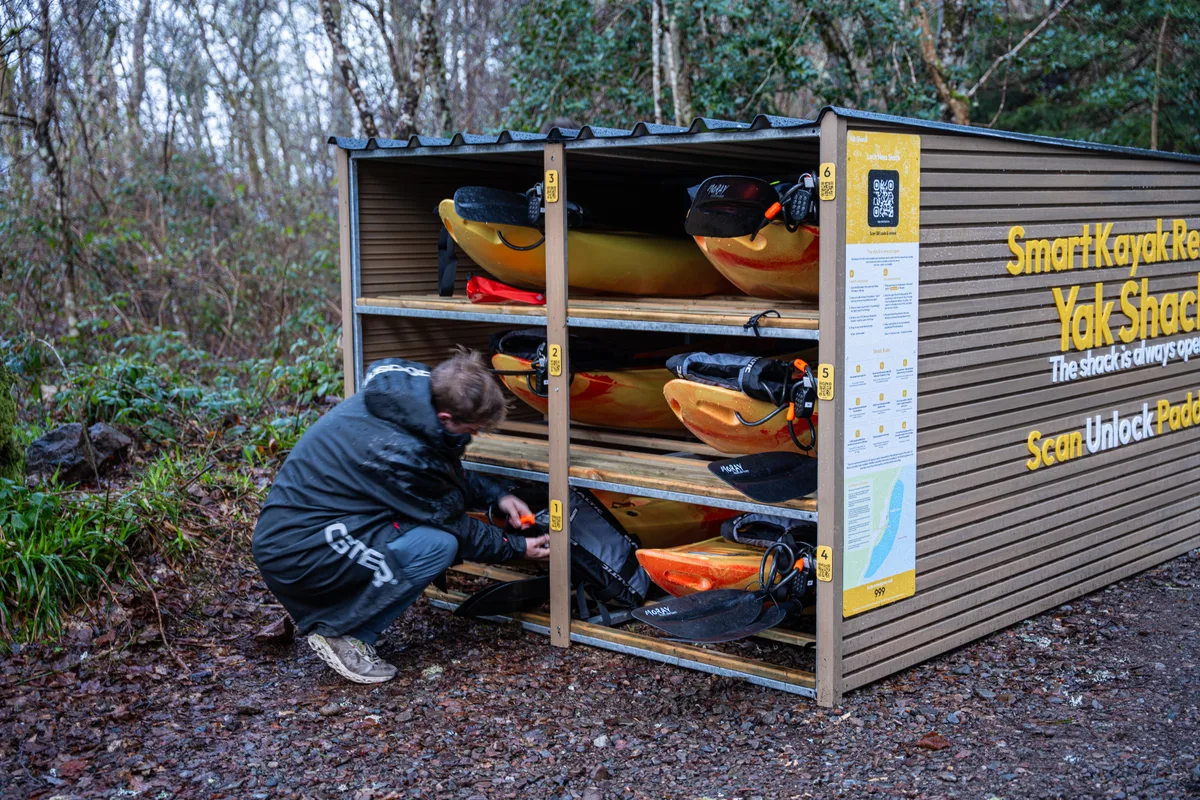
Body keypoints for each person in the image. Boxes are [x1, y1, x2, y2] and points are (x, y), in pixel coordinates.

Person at [251, 349, 550, 684]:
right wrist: (516, 548)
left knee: (424, 535)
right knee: (436, 545)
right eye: (471, 429)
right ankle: (341, 633)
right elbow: (451, 521)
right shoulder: (399, 452)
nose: (473, 436)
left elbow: (439, 477)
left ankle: (338, 615)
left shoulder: (409, 402)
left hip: (312, 526)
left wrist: (498, 495)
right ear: (445, 418)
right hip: (297, 549)